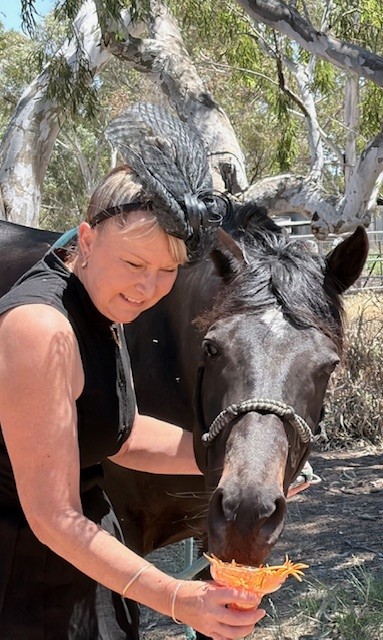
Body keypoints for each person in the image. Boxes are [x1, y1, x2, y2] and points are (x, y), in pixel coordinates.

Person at [0, 103, 265, 640]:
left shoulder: (104, 305)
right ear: (87, 239)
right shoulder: (40, 329)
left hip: (87, 572)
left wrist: (234, 463)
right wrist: (178, 597)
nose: (148, 288)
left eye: (167, 270)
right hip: (23, 589)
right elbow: (53, 517)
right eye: (134, 263)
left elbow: (118, 432)